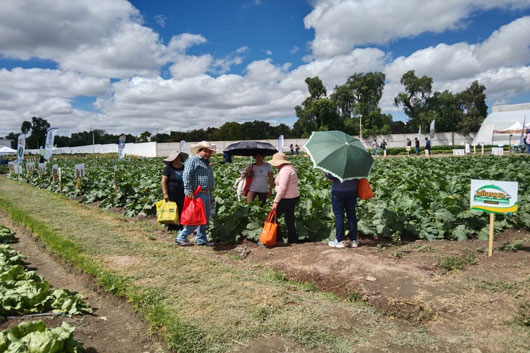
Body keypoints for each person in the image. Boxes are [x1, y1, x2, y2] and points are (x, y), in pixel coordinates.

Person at [175, 141, 216, 246]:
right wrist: (188, 190)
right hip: (197, 193)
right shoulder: (193, 160)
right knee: (196, 217)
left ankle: (201, 240)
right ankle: (181, 237)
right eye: (205, 151)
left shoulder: (206, 162)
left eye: (209, 152)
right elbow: (186, 175)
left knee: (205, 217)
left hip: (206, 193)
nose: (207, 153)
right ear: (199, 151)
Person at [269, 152, 300, 244]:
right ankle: (293, 239)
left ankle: (278, 239)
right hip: (293, 197)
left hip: (287, 198)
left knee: (272, 217)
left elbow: (282, 188)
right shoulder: (290, 169)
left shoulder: (285, 171)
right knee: (289, 218)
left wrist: (276, 202)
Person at [327, 174, 359, 248]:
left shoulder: (336, 163)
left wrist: (327, 173)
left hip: (338, 191)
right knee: (351, 215)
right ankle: (354, 240)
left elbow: (329, 179)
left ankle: (339, 240)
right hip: (352, 190)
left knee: (339, 215)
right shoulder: (357, 164)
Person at [161, 151, 188, 232]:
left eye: (179, 157)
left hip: (183, 192)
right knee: (172, 209)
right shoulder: (168, 168)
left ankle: (180, 225)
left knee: (182, 208)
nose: (178, 159)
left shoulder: (184, 167)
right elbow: (163, 181)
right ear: (172, 159)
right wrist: (165, 193)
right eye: (176, 157)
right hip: (171, 192)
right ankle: (172, 226)